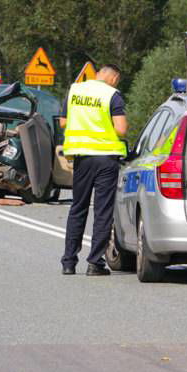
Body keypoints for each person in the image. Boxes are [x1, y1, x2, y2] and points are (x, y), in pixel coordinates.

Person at [60, 65, 127, 276]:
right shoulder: (112, 95)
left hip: (82, 158)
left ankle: (68, 262)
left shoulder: (75, 90)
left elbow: (63, 122)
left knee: (78, 208)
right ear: (114, 77)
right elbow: (121, 129)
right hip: (106, 158)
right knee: (102, 211)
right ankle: (94, 263)